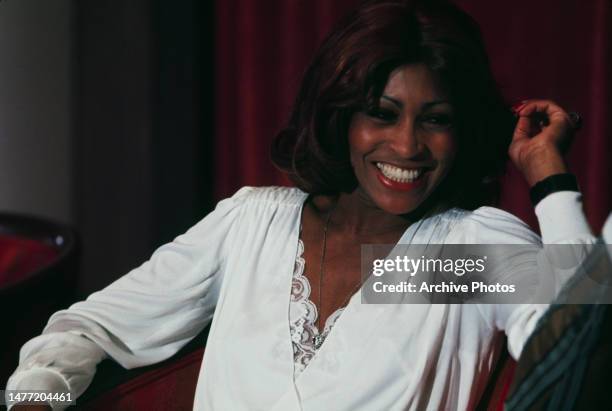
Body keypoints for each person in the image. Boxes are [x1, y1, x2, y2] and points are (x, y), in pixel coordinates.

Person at [7, 0, 597, 410]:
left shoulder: (445, 260)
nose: (407, 146)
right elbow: (87, 330)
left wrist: (547, 172)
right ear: (341, 115)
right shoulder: (253, 227)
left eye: (436, 121)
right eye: (382, 113)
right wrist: (36, 402)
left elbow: (580, 347)